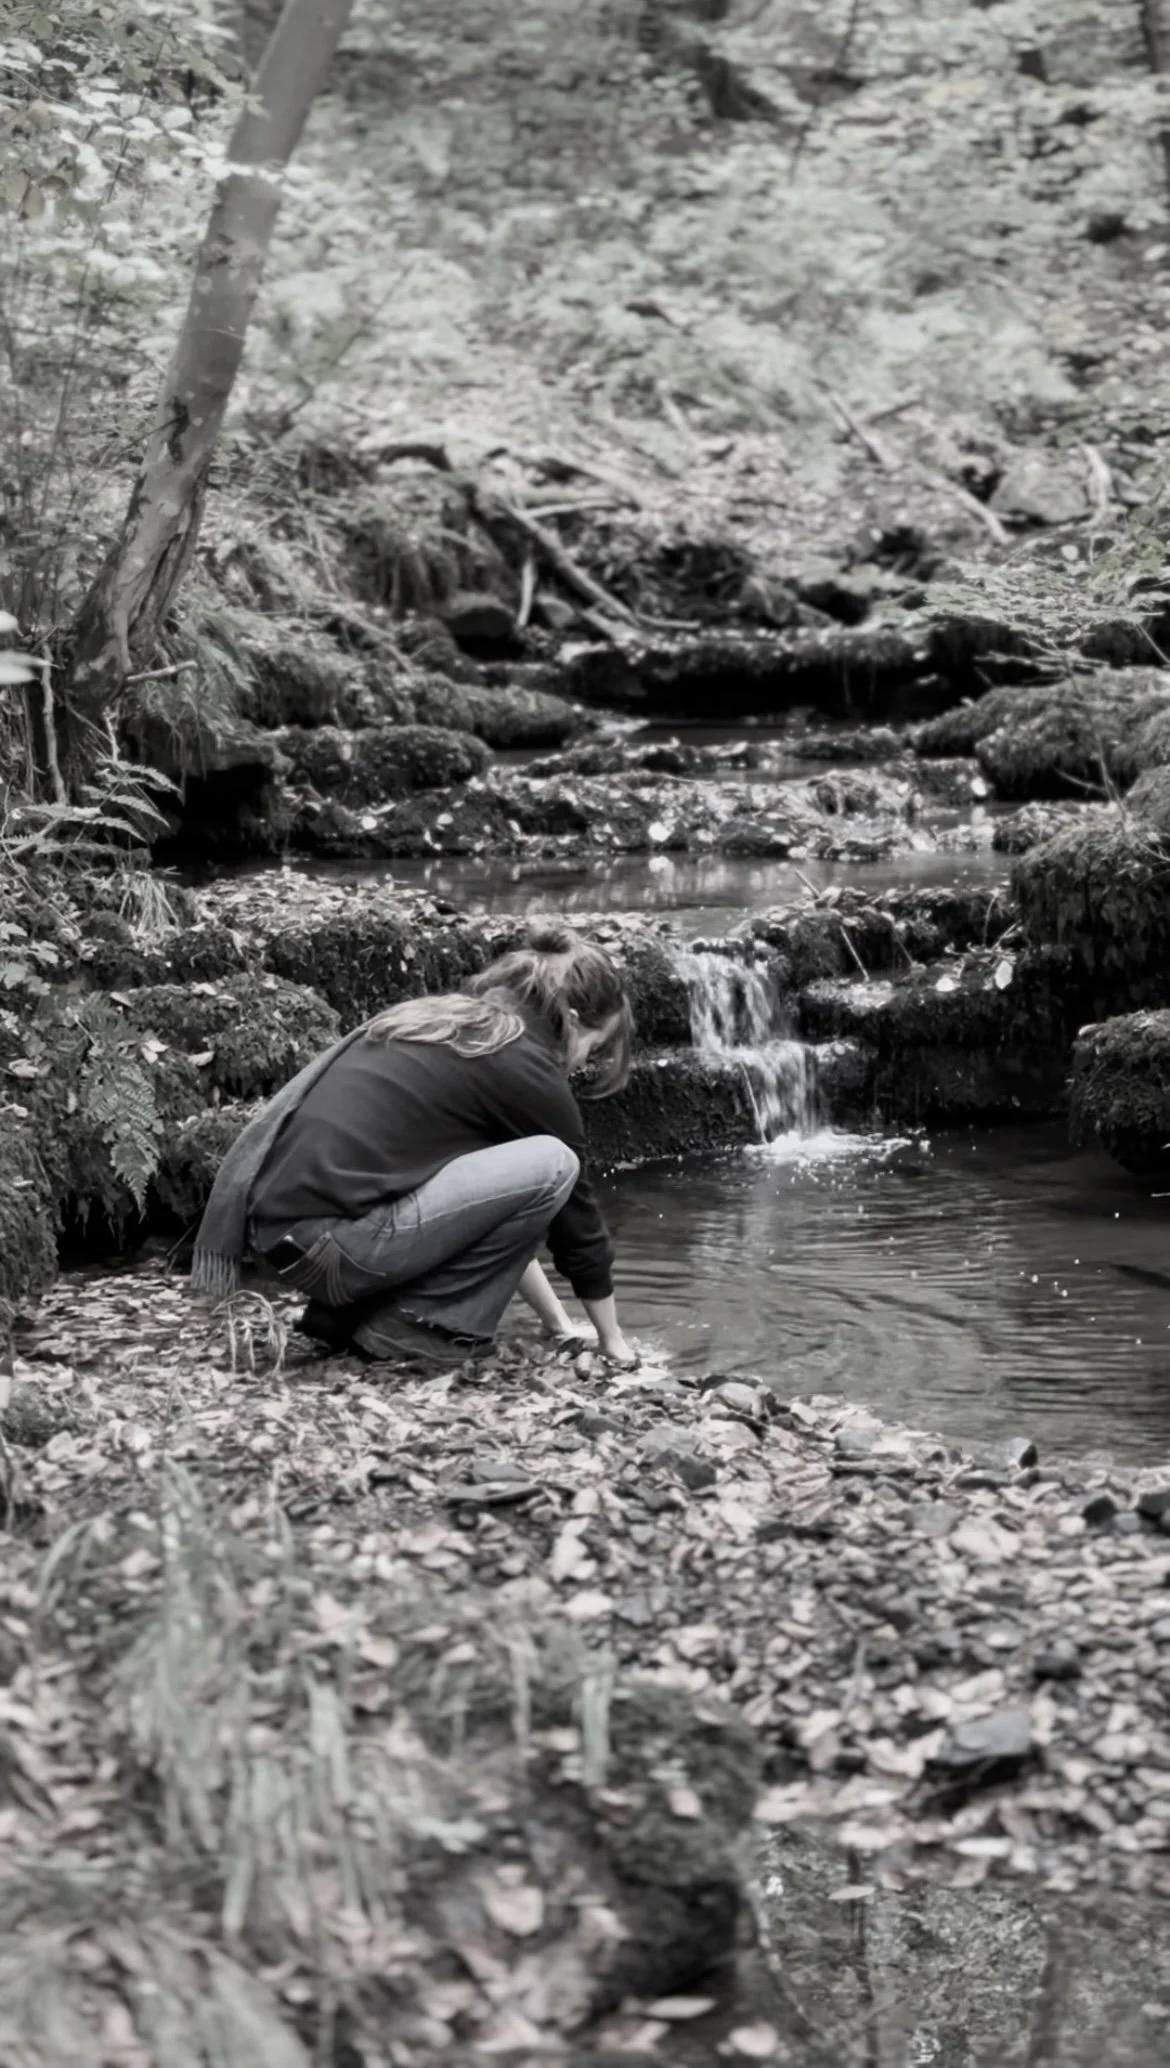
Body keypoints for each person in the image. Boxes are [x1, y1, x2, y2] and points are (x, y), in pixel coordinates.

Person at [190, 926, 638, 1369]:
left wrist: (560, 1324)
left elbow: (498, 1218)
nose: (585, 1062)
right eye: (594, 1048)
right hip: (334, 1252)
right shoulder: (524, 1066)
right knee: (557, 1162)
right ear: (574, 1022)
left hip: (283, 1244)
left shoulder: (451, 1023)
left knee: (531, 1173)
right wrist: (613, 1342)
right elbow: (578, 1227)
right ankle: (419, 1330)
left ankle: (359, 1318)